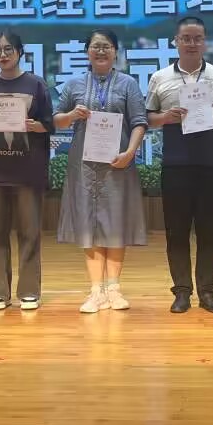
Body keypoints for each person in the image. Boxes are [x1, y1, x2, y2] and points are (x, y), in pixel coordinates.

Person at [145, 16, 213, 314]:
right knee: (177, 231)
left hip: (209, 163)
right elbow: (148, 119)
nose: (192, 43)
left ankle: (208, 292)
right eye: (186, 38)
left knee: (209, 231)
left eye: (197, 38)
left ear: (205, 42)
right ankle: (182, 291)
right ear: (176, 42)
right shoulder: (160, 78)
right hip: (175, 165)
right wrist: (166, 117)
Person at [53, 29, 148, 313]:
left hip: (119, 163)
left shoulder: (128, 84)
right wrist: (72, 115)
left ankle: (114, 289)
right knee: (88, 224)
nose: (101, 51)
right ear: (87, 52)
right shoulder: (74, 84)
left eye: (107, 46)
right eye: (96, 46)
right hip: (83, 166)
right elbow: (57, 120)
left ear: (116, 51)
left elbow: (139, 122)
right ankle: (96, 291)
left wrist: (130, 153)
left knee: (115, 222)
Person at [0, 30, 55, 312]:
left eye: (8, 49)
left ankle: (29, 291)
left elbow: (49, 124)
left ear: (20, 52)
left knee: (29, 232)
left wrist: (35, 126)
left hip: (27, 169)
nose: (3, 55)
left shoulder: (36, 84)